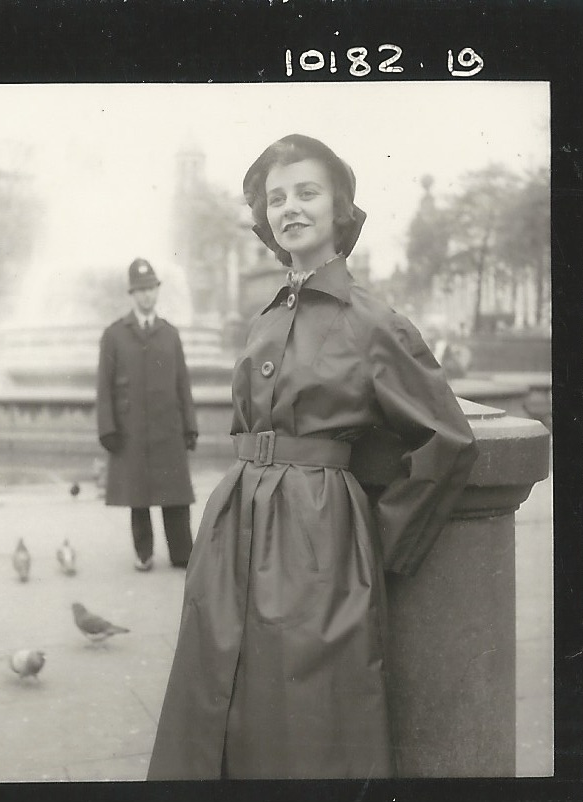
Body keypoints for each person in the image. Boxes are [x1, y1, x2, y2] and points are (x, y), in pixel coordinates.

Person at [147, 134, 477, 779]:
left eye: (306, 192)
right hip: (235, 528)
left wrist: (373, 544)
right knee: (218, 694)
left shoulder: (373, 322)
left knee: (305, 713)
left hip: (316, 536)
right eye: (275, 197)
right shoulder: (264, 320)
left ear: (339, 208)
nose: (289, 208)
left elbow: (445, 439)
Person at [95, 258, 198, 571]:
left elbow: (183, 383)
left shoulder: (170, 334)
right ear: (131, 293)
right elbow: (104, 387)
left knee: (175, 493)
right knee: (137, 493)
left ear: (157, 291)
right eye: (140, 290)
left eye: (151, 288)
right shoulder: (114, 335)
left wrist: (190, 426)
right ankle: (144, 553)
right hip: (132, 428)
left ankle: (182, 552)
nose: (146, 296)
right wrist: (108, 429)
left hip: (168, 426)